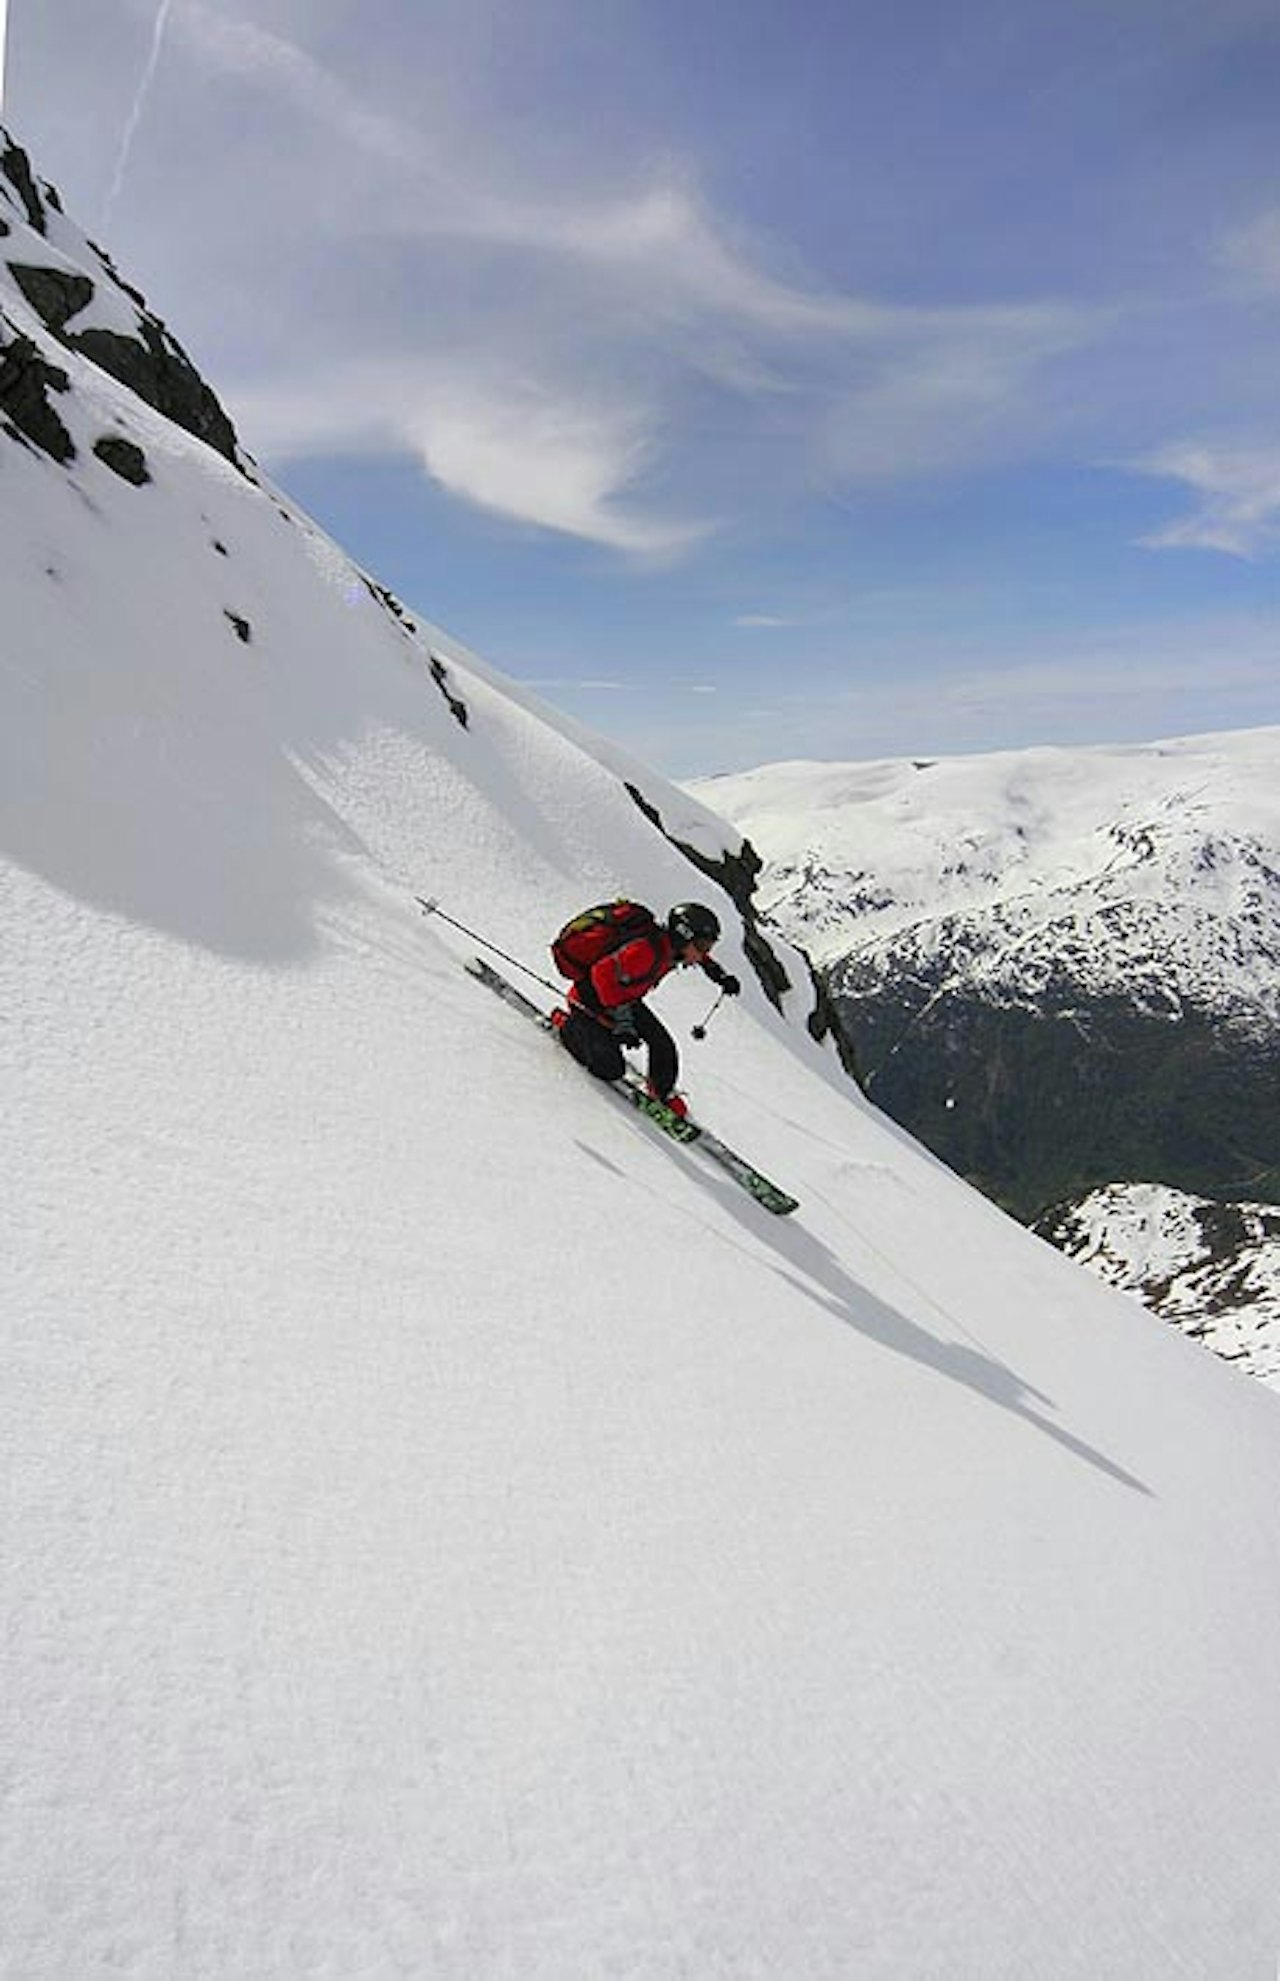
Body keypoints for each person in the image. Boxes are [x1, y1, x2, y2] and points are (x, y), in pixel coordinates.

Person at [550, 899, 741, 1116]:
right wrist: (623, 1022)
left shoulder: (672, 948)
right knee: (609, 1068)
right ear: (684, 936)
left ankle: (661, 1093)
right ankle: (567, 1025)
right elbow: (601, 974)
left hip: (623, 999)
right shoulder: (646, 951)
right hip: (590, 999)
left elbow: (700, 958)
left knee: (663, 1045)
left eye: (707, 947)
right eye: (702, 946)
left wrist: (719, 975)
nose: (702, 953)